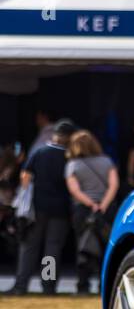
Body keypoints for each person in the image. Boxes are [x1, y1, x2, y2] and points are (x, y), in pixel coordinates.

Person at [9, 119, 75, 294]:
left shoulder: (40, 152)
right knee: (52, 249)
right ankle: (48, 286)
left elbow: (25, 176)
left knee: (29, 246)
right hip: (61, 208)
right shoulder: (70, 156)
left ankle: (21, 285)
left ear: (55, 135)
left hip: (37, 207)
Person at [65, 129, 120, 295]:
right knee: (106, 247)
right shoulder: (107, 161)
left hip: (83, 211)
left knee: (83, 245)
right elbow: (114, 185)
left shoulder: (72, 165)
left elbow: (74, 190)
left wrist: (90, 204)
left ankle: (83, 285)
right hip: (106, 210)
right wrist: (103, 204)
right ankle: (105, 285)